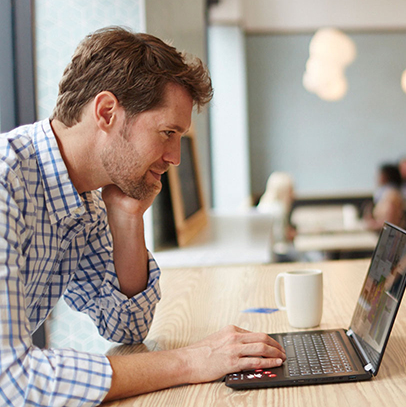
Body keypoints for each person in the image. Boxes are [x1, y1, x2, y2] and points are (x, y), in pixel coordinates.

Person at [0, 27, 285, 405]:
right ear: (106, 112)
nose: (175, 157)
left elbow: (126, 325)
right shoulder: (7, 183)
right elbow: (12, 380)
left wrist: (126, 218)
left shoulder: (84, 197)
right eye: (167, 132)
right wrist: (191, 361)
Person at [257, 172, 297, 260]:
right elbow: (280, 240)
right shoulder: (278, 209)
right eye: (291, 190)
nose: (293, 194)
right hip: (276, 254)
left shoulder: (263, 205)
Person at [366, 164, 405, 228]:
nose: (377, 177)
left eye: (380, 174)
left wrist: (371, 225)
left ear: (387, 176)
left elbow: (389, 224)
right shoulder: (384, 193)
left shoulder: (392, 195)